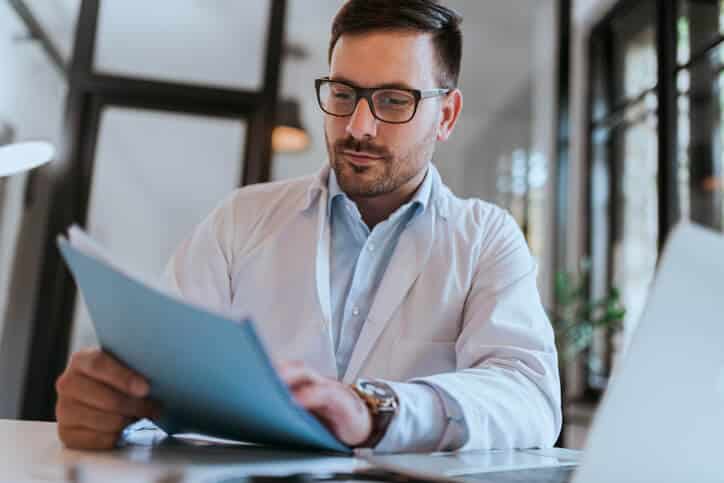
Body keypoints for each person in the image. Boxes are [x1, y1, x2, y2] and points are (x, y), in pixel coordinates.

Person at [55, 0, 561, 453]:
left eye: (392, 101)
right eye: (343, 94)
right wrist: (113, 416)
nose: (359, 127)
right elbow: (160, 377)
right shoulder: (240, 221)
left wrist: (376, 410)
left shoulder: (486, 237)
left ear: (446, 115)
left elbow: (529, 398)